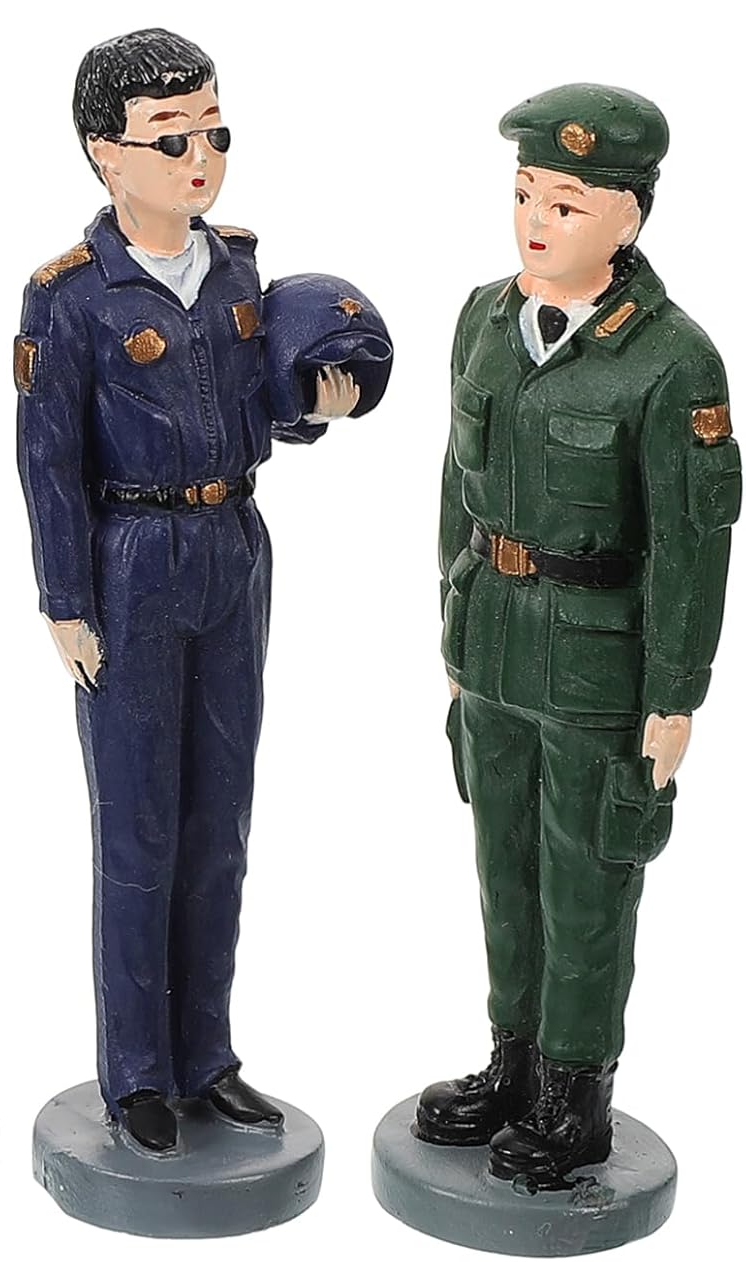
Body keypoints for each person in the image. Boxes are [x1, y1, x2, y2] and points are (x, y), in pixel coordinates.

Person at [14, 27, 391, 1153]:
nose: (202, 158)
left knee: (219, 821)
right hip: (132, 559)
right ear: (105, 153)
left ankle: (207, 1055)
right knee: (138, 831)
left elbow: (257, 404)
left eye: (215, 133)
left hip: (232, 546)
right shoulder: (69, 296)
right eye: (171, 138)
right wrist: (65, 600)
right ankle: (136, 1070)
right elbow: (47, 460)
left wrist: (312, 408)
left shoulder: (237, 269)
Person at [418, 83, 738, 1188]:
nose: (536, 221)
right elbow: (457, 489)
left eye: (566, 202)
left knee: (586, 883)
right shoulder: (482, 319)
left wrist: (676, 694)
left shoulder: (670, 359)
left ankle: (574, 1097)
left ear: (627, 215)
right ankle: (513, 1066)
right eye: (525, 195)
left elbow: (692, 543)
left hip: (599, 661)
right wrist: (453, 638)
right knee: (503, 872)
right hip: (495, 644)